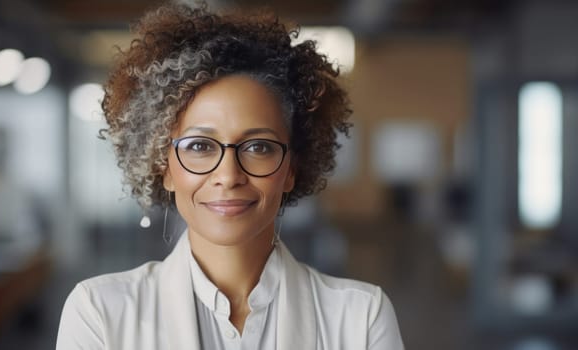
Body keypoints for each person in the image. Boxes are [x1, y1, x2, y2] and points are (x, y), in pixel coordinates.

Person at [56, 2, 404, 349]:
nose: (228, 175)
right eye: (199, 146)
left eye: (258, 147)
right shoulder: (98, 313)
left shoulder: (362, 318)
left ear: (291, 170)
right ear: (164, 169)